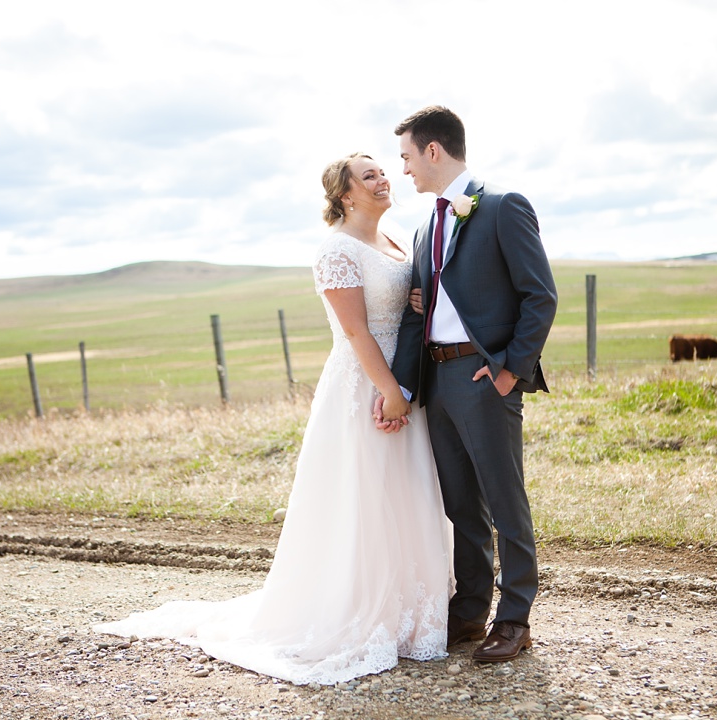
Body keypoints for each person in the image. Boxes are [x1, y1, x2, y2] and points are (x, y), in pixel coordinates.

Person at [94, 152, 452, 685]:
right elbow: (356, 332)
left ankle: (411, 614)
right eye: (369, 175)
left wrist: (415, 305)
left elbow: (401, 303)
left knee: (406, 490)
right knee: (363, 496)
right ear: (345, 194)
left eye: (382, 171)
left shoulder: (397, 238)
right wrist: (389, 392)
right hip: (364, 386)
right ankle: (354, 612)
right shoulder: (335, 249)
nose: (383, 180)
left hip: (402, 382)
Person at [383, 106, 558, 663]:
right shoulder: (423, 225)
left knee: (505, 502)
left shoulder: (503, 206)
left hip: (485, 378)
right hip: (438, 379)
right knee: (461, 505)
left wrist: (510, 370)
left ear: (434, 151)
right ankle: (470, 612)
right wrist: (408, 388)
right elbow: (421, 311)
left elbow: (540, 296)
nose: (403, 169)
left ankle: (514, 620)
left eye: (407, 156)